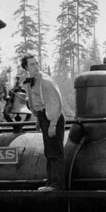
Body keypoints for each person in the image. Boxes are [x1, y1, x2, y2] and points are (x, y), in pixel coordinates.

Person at [20, 54, 65, 191]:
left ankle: (56, 184)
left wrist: (52, 123)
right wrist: (38, 118)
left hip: (52, 117)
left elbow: (54, 103)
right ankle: (51, 181)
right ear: (26, 67)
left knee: (55, 151)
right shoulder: (32, 81)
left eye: (36, 63)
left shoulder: (45, 81)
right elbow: (37, 103)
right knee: (48, 151)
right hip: (44, 116)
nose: (36, 66)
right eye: (32, 64)